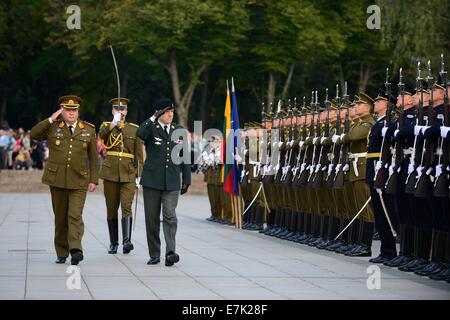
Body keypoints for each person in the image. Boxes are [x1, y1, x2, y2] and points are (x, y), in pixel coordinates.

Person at [30, 95, 99, 265]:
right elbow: (34, 134)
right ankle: (62, 251)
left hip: (79, 179)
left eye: (74, 110)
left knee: (75, 215)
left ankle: (75, 249)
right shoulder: (53, 127)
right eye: (67, 110)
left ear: (78, 111)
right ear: (62, 110)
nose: (71, 113)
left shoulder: (88, 129)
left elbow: (94, 158)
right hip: (57, 179)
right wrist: (50, 119)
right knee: (60, 218)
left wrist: (94, 179)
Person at [136, 98, 191, 266]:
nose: (170, 114)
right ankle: (154, 253)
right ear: (158, 113)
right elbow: (139, 134)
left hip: (172, 181)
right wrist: (153, 117)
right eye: (166, 112)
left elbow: (185, 156)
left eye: (171, 111)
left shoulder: (178, 130)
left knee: (170, 216)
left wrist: (186, 179)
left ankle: (170, 252)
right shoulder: (151, 128)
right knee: (152, 219)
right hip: (152, 181)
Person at [99, 97, 143, 254]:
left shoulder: (134, 129)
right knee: (111, 209)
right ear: (113, 111)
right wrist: (113, 123)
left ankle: (126, 241)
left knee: (126, 206)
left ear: (127, 111)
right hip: (110, 172)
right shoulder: (106, 126)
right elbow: (102, 136)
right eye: (117, 109)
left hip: (128, 172)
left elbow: (139, 154)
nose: (121, 112)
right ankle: (113, 242)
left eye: (123, 109)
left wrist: (139, 176)